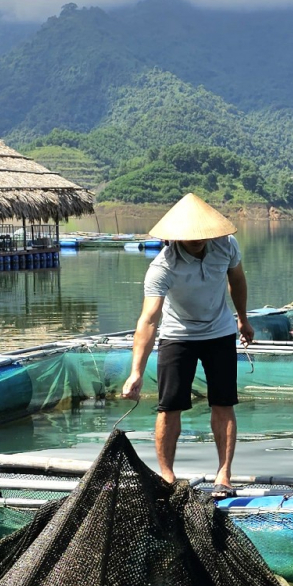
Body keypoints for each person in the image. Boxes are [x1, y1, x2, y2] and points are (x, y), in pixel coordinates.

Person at [118, 193, 254, 490]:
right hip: (178, 335)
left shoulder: (225, 245)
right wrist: (136, 372)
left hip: (219, 331)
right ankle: (167, 476)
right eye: (189, 236)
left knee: (224, 403)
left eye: (200, 235)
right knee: (169, 407)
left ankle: (224, 474)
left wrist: (242, 318)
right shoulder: (162, 267)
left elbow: (238, 280)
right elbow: (149, 320)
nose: (196, 240)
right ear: (176, 236)